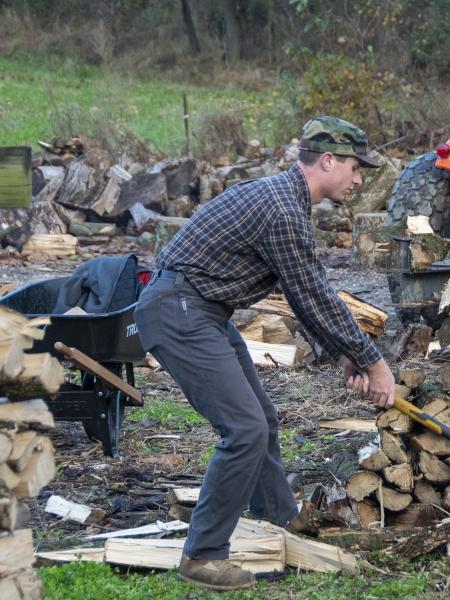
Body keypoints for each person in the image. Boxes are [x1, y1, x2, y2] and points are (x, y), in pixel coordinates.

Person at [134, 116, 396, 591]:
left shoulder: (280, 198)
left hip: (201, 309)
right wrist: (372, 360)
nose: (359, 179)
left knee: (263, 419)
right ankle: (204, 556)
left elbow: (301, 295)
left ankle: (278, 520)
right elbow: (313, 294)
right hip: (181, 311)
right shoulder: (282, 210)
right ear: (329, 160)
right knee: (245, 429)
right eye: (356, 167)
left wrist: (341, 353)